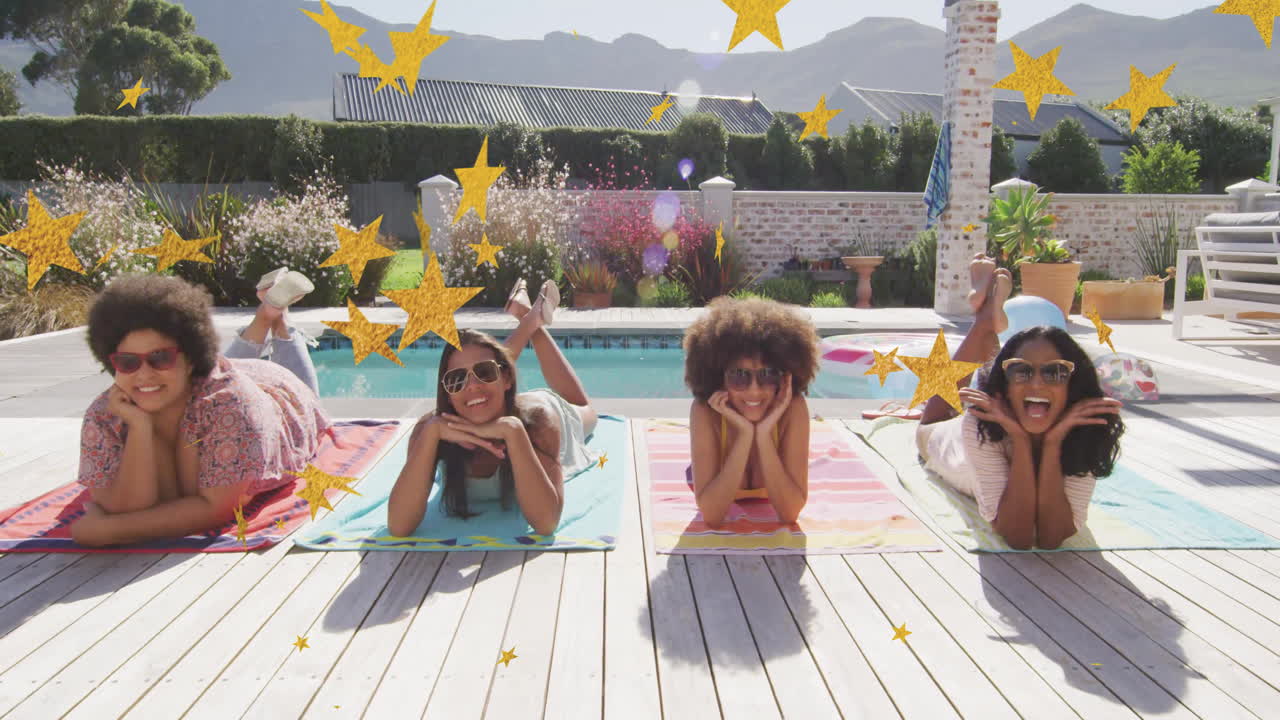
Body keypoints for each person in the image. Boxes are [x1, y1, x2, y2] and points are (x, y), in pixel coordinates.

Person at [71, 269, 330, 546]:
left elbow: (215, 507)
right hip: (200, 381)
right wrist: (140, 427)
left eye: (160, 357)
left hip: (279, 395)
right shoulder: (107, 414)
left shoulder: (232, 406)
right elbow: (121, 505)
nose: (143, 373)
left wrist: (108, 530)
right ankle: (268, 314)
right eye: (127, 361)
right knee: (180, 381)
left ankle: (280, 322)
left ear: (192, 358)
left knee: (306, 396)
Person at [916, 254, 1125, 550]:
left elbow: (1053, 537)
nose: (1037, 383)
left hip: (1011, 411)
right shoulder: (982, 423)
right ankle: (983, 323)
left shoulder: (1085, 427)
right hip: (948, 442)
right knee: (928, 423)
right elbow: (1018, 536)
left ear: (1073, 386)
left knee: (1003, 366)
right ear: (1004, 389)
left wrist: (1052, 442)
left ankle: (985, 320)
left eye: (1055, 372)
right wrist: (1019, 438)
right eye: (1021, 371)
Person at [388, 279, 598, 537]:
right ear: (447, 393)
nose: (472, 386)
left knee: (587, 410)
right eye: (456, 380)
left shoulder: (538, 425)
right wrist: (431, 433)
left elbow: (546, 524)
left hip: (539, 408)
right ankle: (528, 318)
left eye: (483, 373)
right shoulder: (431, 430)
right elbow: (398, 526)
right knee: (484, 364)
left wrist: (513, 432)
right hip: (499, 399)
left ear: (509, 380)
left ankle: (529, 321)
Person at [682, 296, 820, 528]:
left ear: (786, 376)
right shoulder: (705, 412)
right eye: (738, 375)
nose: (754, 390)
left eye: (768, 374)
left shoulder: (792, 409)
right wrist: (746, 434)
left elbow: (789, 514)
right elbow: (712, 516)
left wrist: (764, 433)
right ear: (718, 377)